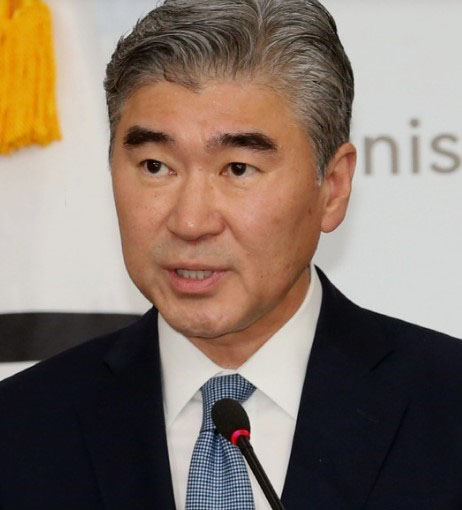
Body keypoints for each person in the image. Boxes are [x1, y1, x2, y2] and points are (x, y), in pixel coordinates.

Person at [1, 0, 462, 508]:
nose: (190, 221)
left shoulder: (446, 405)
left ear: (332, 187)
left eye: (238, 169)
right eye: (155, 166)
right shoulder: (20, 428)